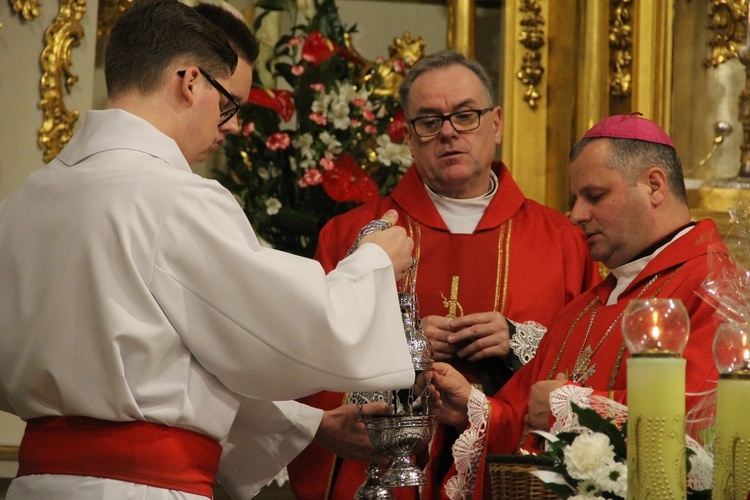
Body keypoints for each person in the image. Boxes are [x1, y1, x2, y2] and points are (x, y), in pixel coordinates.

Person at [0, 0, 420, 498]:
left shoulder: (22, 202)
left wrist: (309, 425)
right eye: (228, 105)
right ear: (190, 81)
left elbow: (161, 362)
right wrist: (373, 261)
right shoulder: (174, 196)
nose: (231, 125)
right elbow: (285, 329)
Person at [287, 50, 601, 499]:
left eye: (465, 116)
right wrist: (399, 350)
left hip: (512, 478)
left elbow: (591, 364)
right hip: (386, 479)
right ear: (410, 136)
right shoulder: (352, 236)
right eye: (429, 121)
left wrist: (518, 341)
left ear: (496, 124)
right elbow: (310, 370)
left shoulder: (562, 240)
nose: (449, 132)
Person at [429, 114, 729, 498]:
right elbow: (522, 413)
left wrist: (566, 408)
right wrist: (474, 410)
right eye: (576, 199)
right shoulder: (580, 311)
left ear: (654, 185)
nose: (577, 215)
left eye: (595, 196)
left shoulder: (715, 288)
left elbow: (704, 431)